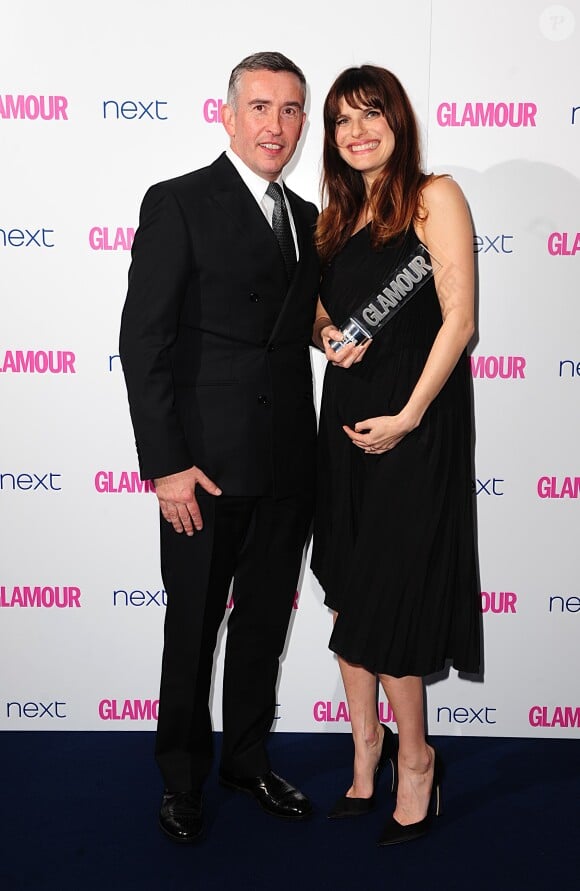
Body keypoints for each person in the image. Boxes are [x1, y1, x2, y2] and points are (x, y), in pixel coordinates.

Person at [119, 51, 320, 843]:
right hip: (200, 470)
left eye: (292, 109)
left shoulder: (307, 218)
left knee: (265, 626)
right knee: (192, 629)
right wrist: (165, 464)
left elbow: (302, 322)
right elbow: (145, 341)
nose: (277, 125)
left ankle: (245, 758)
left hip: (285, 467)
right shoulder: (178, 203)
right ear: (228, 115)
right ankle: (180, 780)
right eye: (262, 107)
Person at [311, 65, 481, 846]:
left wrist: (410, 414)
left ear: (398, 120)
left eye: (370, 114)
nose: (357, 131)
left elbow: (458, 319)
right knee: (348, 590)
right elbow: (321, 312)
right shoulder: (336, 214)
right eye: (343, 120)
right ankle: (365, 750)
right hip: (343, 425)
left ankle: (417, 759)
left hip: (414, 426)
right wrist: (330, 337)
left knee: (390, 601)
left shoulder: (433, 195)